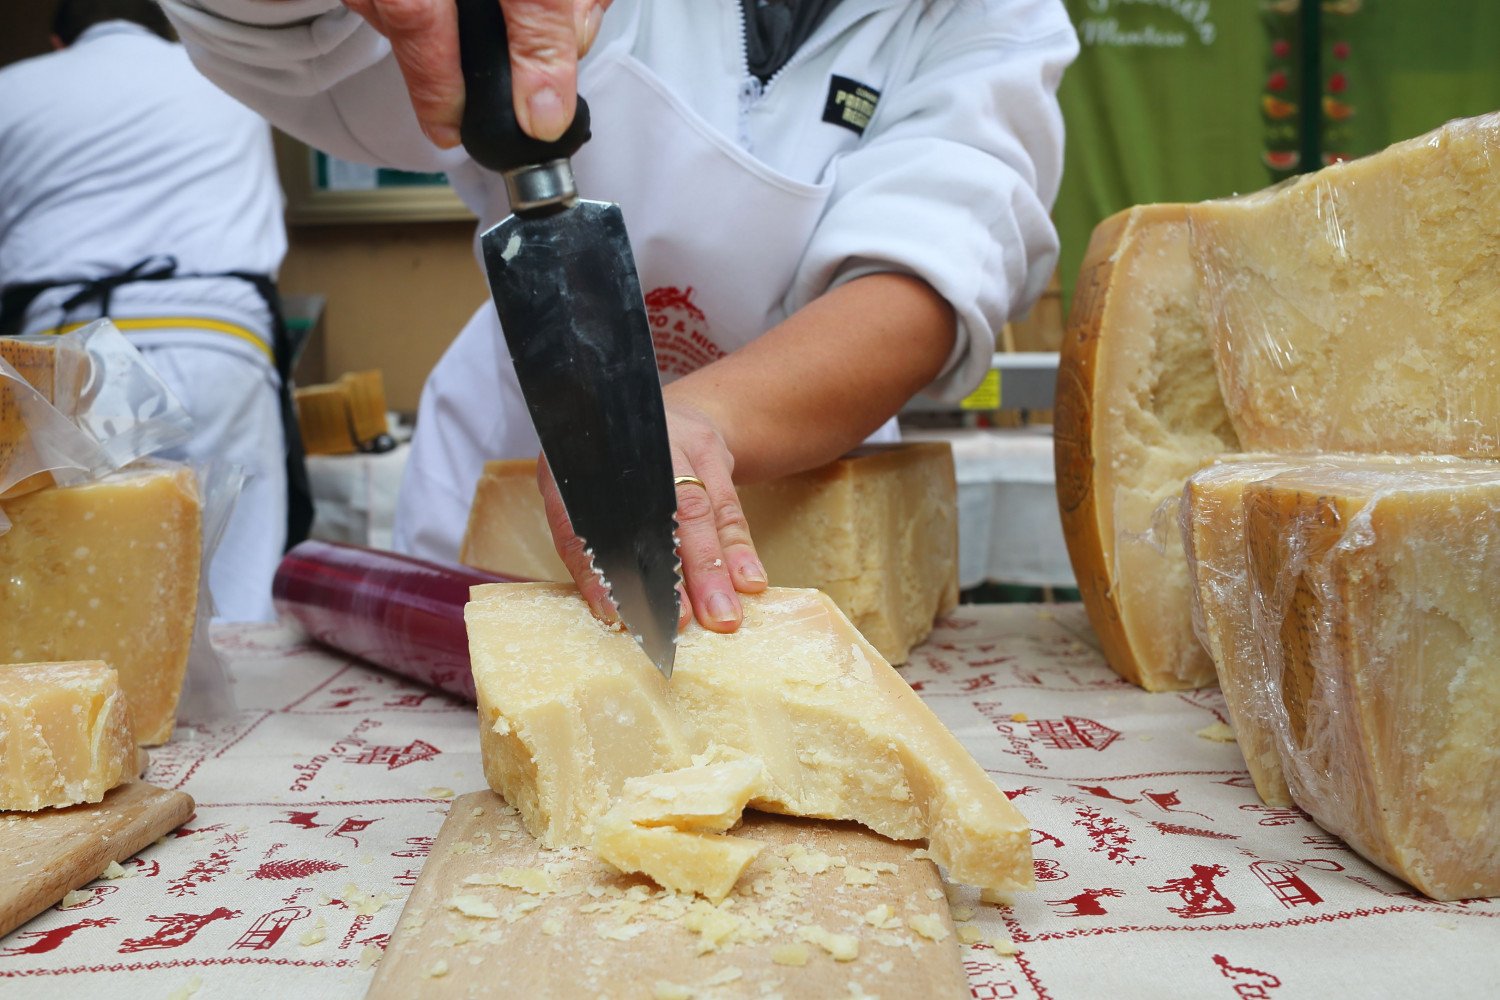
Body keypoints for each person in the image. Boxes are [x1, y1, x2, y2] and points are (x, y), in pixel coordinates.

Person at [163, 0, 1076, 633]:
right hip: (498, 512)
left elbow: (926, 276)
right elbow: (294, 42)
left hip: (806, 545)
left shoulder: (988, 19)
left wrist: (695, 422)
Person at [0, 0, 304, 622]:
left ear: (61, 42)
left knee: (93, 573)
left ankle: (111, 711)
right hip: (220, 338)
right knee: (241, 562)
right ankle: (244, 710)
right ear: (167, 26)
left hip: (76, 358)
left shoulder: (12, 89)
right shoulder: (231, 80)